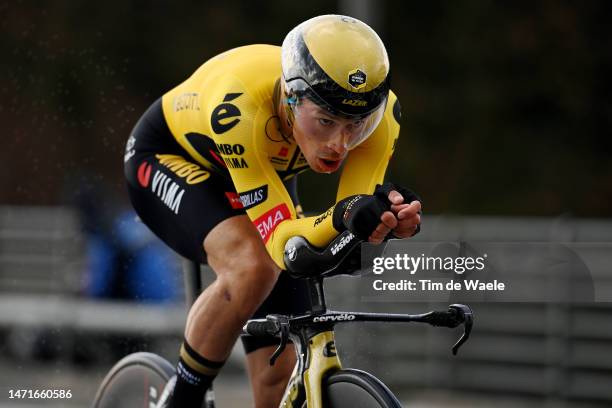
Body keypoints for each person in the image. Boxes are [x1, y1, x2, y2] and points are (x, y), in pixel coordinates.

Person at [123, 14, 422, 408]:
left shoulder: (381, 117)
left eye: (356, 126)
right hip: (171, 157)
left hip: (263, 172)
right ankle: (183, 398)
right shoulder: (242, 106)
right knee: (254, 265)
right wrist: (344, 217)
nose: (340, 144)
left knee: (279, 376)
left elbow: (347, 230)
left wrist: (382, 224)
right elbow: (285, 241)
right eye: (326, 121)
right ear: (291, 98)